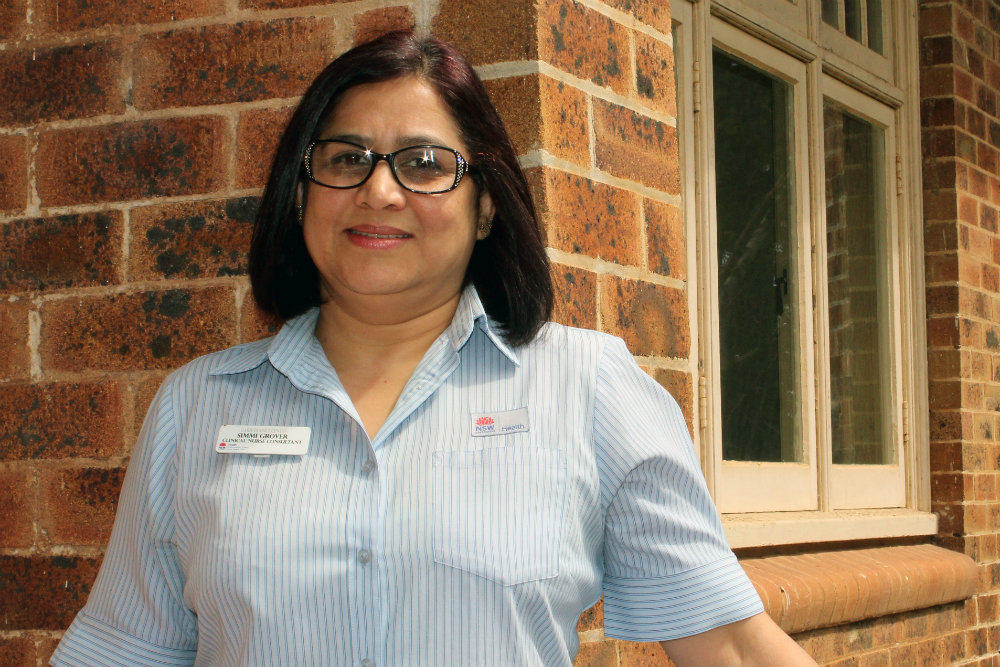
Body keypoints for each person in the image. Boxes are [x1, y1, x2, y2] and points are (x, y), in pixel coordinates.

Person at [51, 31, 816, 667]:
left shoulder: (588, 388)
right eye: (346, 158)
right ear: (301, 191)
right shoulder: (197, 405)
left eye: (423, 164)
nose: (378, 191)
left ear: (485, 205)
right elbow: (125, 648)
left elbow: (734, 648)